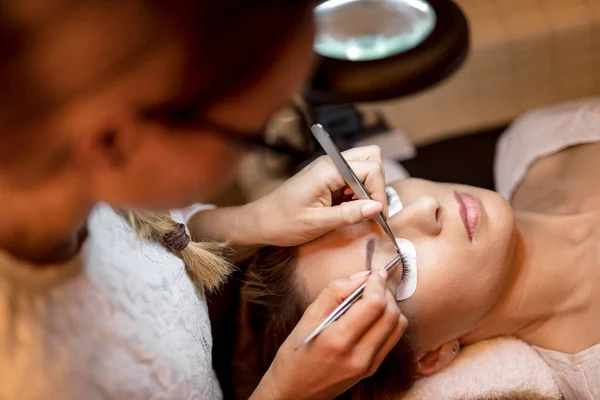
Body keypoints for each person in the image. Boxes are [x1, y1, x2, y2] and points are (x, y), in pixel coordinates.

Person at [0, 1, 407, 399]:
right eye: (254, 132)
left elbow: (145, 245)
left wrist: (254, 221)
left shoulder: (65, 159)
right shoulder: (29, 378)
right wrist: (288, 392)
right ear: (111, 142)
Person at [241, 98, 600, 400]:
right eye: (402, 266)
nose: (425, 208)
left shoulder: (538, 139)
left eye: (388, 203)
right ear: (430, 356)